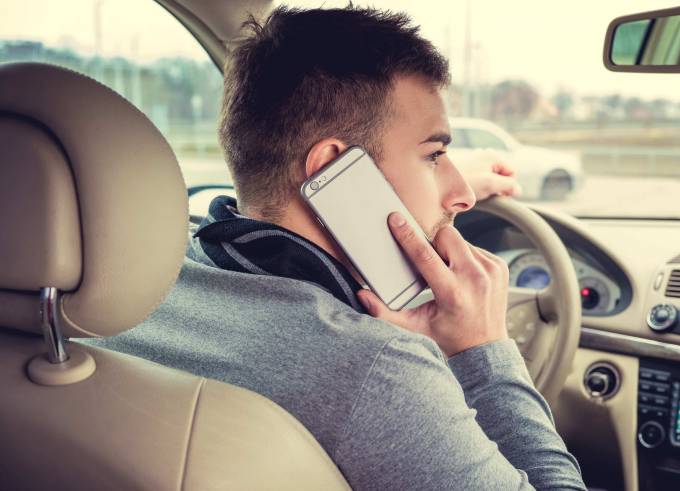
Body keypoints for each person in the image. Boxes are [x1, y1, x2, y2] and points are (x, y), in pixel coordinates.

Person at [88, 5, 585, 490]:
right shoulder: (376, 371)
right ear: (333, 169)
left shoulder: (128, 291)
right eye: (434, 155)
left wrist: (423, 174)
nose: (465, 197)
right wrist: (484, 350)